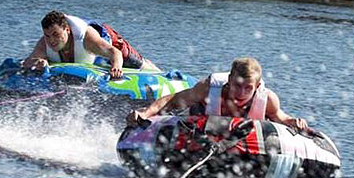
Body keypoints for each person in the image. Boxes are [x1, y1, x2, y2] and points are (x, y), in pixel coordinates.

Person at [127, 57, 308, 130]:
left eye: (248, 88)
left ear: (257, 85)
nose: (241, 93)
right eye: (237, 85)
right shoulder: (208, 88)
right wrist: (145, 113)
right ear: (229, 80)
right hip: (199, 131)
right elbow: (173, 101)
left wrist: (294, 122)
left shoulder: (267, 99)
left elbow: (281, 118)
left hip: (243, 141)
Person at [23, 10, 159, 78]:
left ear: (67, 30)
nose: (51, 40)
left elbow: (115, 53)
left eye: (55, 35)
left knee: (140, 65)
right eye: (47, 35)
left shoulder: (86, 38)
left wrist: (117, 67)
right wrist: (37, 63)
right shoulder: (44, 43)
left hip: (114, 43)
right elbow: (29, 61)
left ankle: (160, 72)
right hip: (90, 58)